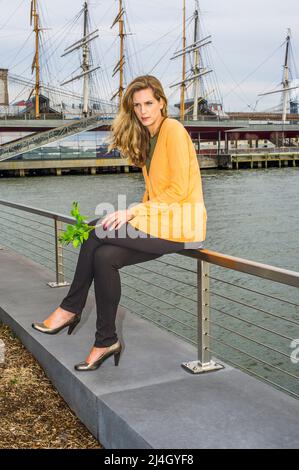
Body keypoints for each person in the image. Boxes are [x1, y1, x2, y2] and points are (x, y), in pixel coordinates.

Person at [32, 75, 207, 371]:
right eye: (137, 105)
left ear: (162, 102)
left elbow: (177, 191)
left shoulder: (173, 130)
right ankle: (105, 341)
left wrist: (131, 213)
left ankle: (70, 308)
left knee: (96, 231)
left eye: (149, 103)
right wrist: (136, 212)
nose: (143, 110)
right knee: (104, 257)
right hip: (160, 224)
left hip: (183, 225)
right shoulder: (149, 138)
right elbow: (155, 191)